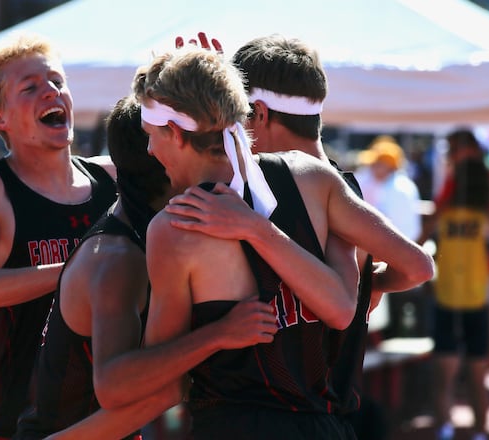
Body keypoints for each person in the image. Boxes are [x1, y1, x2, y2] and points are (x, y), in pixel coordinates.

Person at [90, 47, 433, 439]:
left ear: (177, 133)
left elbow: (157, 375)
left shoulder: (176, 228)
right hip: (326, 426)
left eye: (152, 136)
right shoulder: (310, 176)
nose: (150, 151)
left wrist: (217, 332)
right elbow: (404, 274)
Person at [13, 95, 278, 440]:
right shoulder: (118, 259)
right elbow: (115, 385)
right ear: (164, 158)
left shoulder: (141, 228)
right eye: (206, 148)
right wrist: (219, 334)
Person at [0, 32, 117, 440]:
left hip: (112, 420)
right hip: (21, 421)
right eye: (31, 87)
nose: (51, 92)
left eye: (57, 82)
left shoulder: (113, 177)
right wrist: (74, 271)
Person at [423, 128, 489, 440]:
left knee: (454, 365)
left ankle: (455, 424)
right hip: (470, 293)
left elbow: (425, 236)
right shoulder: (486, 219)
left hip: (460, 292)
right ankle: (478, 427)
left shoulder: (450, 215)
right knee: (475, 364)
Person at [355, 135, 422, 242]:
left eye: (377, 164)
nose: (371, 166)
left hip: (394, 248)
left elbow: (403, 232)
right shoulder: (378, 182)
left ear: (389, 166)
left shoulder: (401, 189)